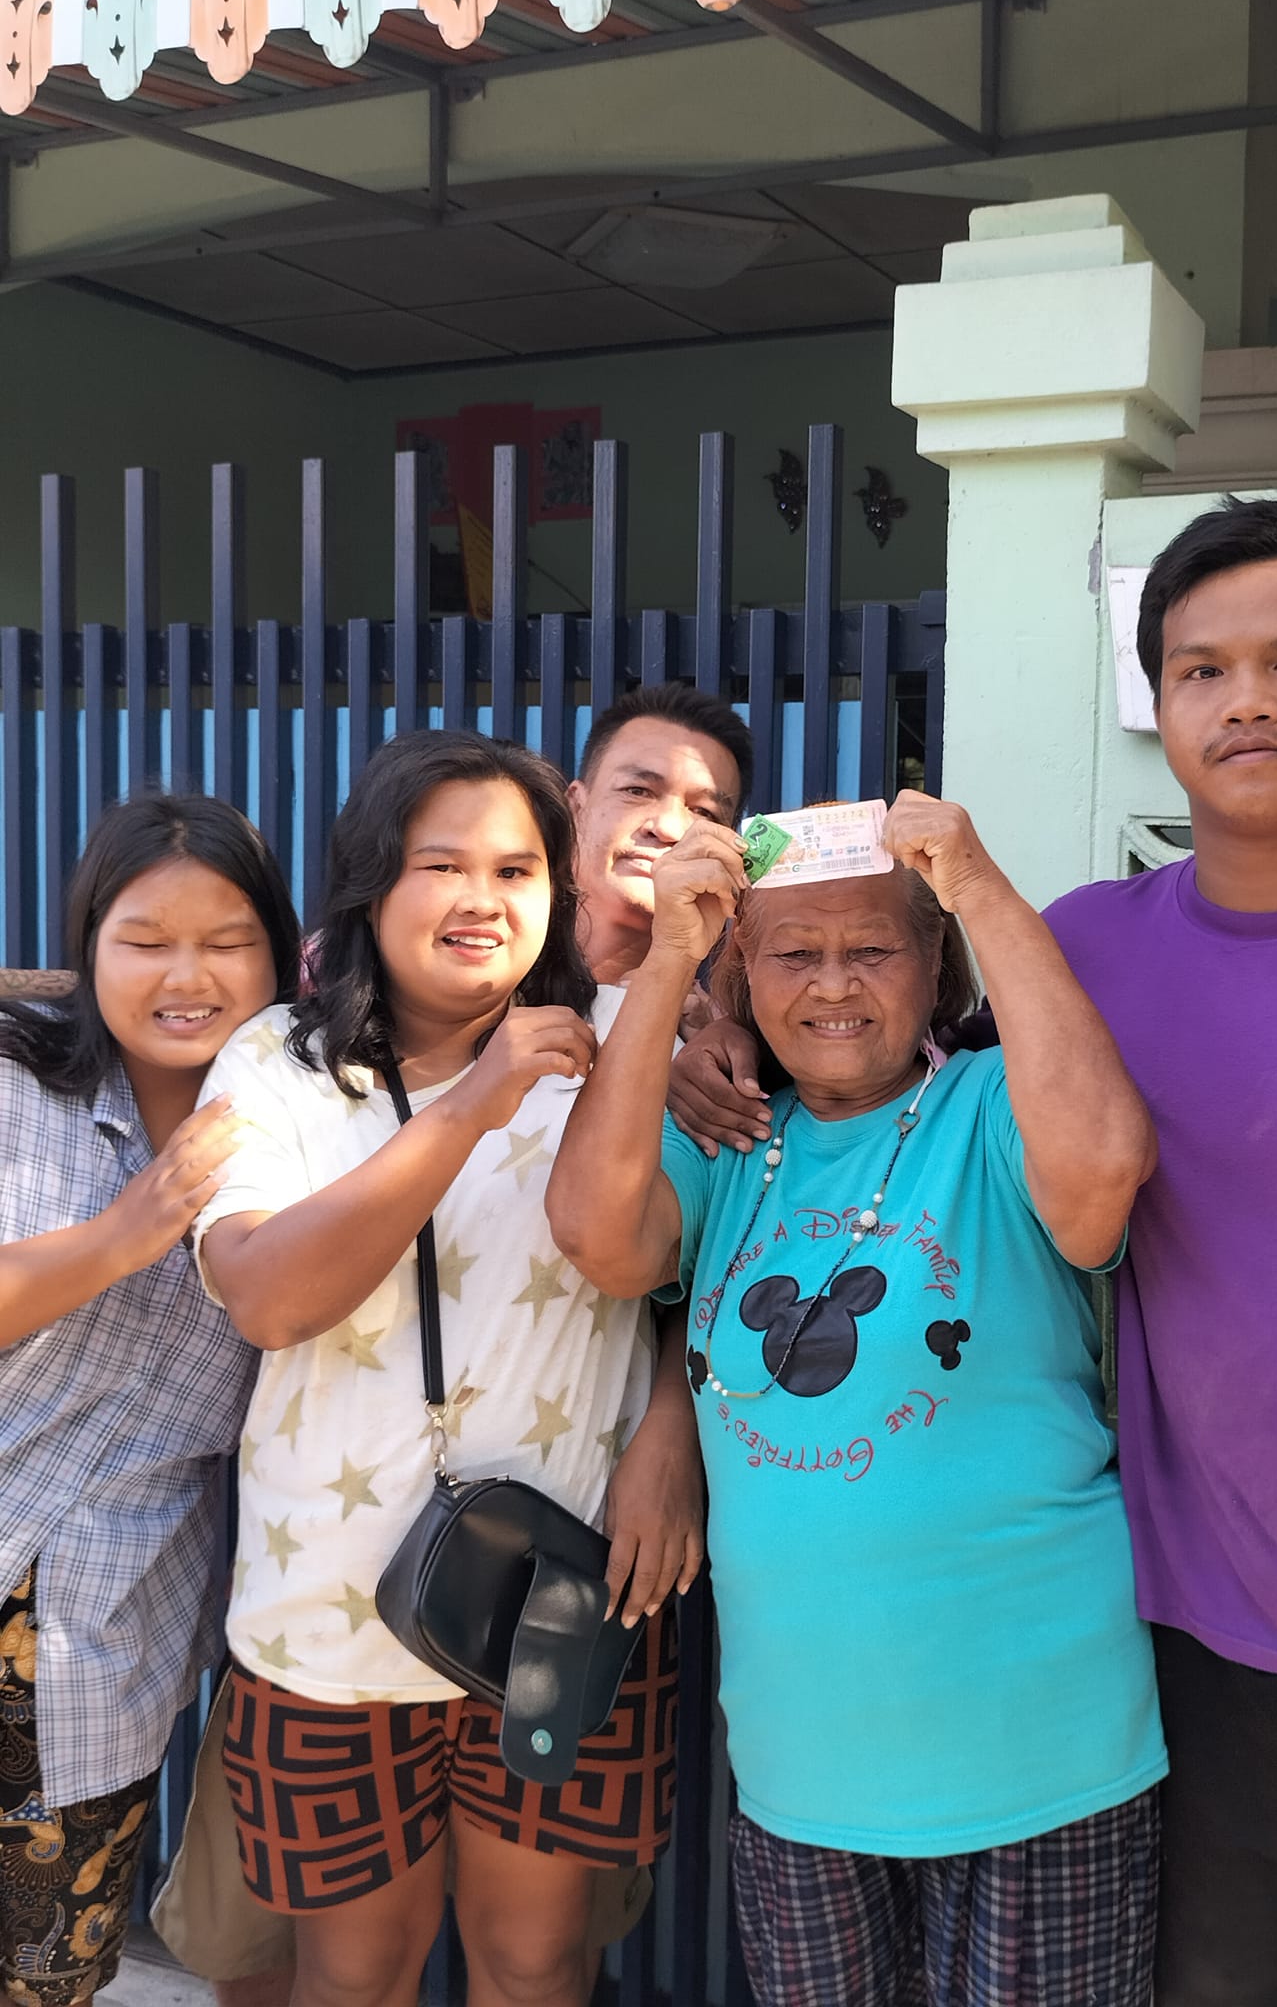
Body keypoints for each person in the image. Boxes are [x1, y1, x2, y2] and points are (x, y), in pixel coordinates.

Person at [677, 495, 1277, 2007]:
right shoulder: (1074, 951)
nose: (1247, 700)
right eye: (1202, 670)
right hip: (1202, 1634)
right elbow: (879, 1092)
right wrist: (700, 1028)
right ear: (1157, 707)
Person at [547, 791, 1167, 2007]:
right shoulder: (728, 1137)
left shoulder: (991, 1104)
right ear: (746, 971)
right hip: (805, 1768)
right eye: (794, 953)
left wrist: (978, 885)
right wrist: (671, 961)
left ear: (935, 967)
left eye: (875, 947)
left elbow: (1103, 1171)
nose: (834, 984)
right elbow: (595, 1234)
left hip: (1045, 1750)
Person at [195, 730, 700, 2007]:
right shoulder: (279, 1061)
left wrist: (673, 1420)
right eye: (444, 865)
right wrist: (475, 1101)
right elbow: (268, 1297)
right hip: (330, 1611)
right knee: (354, 1972)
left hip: (561, 1595)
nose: (483, 899)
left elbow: (699, 1270)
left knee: (535, 1961)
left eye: (517, 870)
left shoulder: (625, 1043)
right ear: (374, 880)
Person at [0, 794, 300, 2007]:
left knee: (47, 1978)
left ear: (279, 954)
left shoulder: (306, 1121)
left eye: (227, 941)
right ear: (90, 947)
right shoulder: (16, 1084)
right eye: (145, 939)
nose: (188, 975)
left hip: (104, 1640)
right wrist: (124, 1233)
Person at [568, 681, 753, 1001]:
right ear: (575, 807)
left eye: (703, 811)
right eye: (637, 791)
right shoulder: (487, 991)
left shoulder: (717, 1027)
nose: (668, 829)